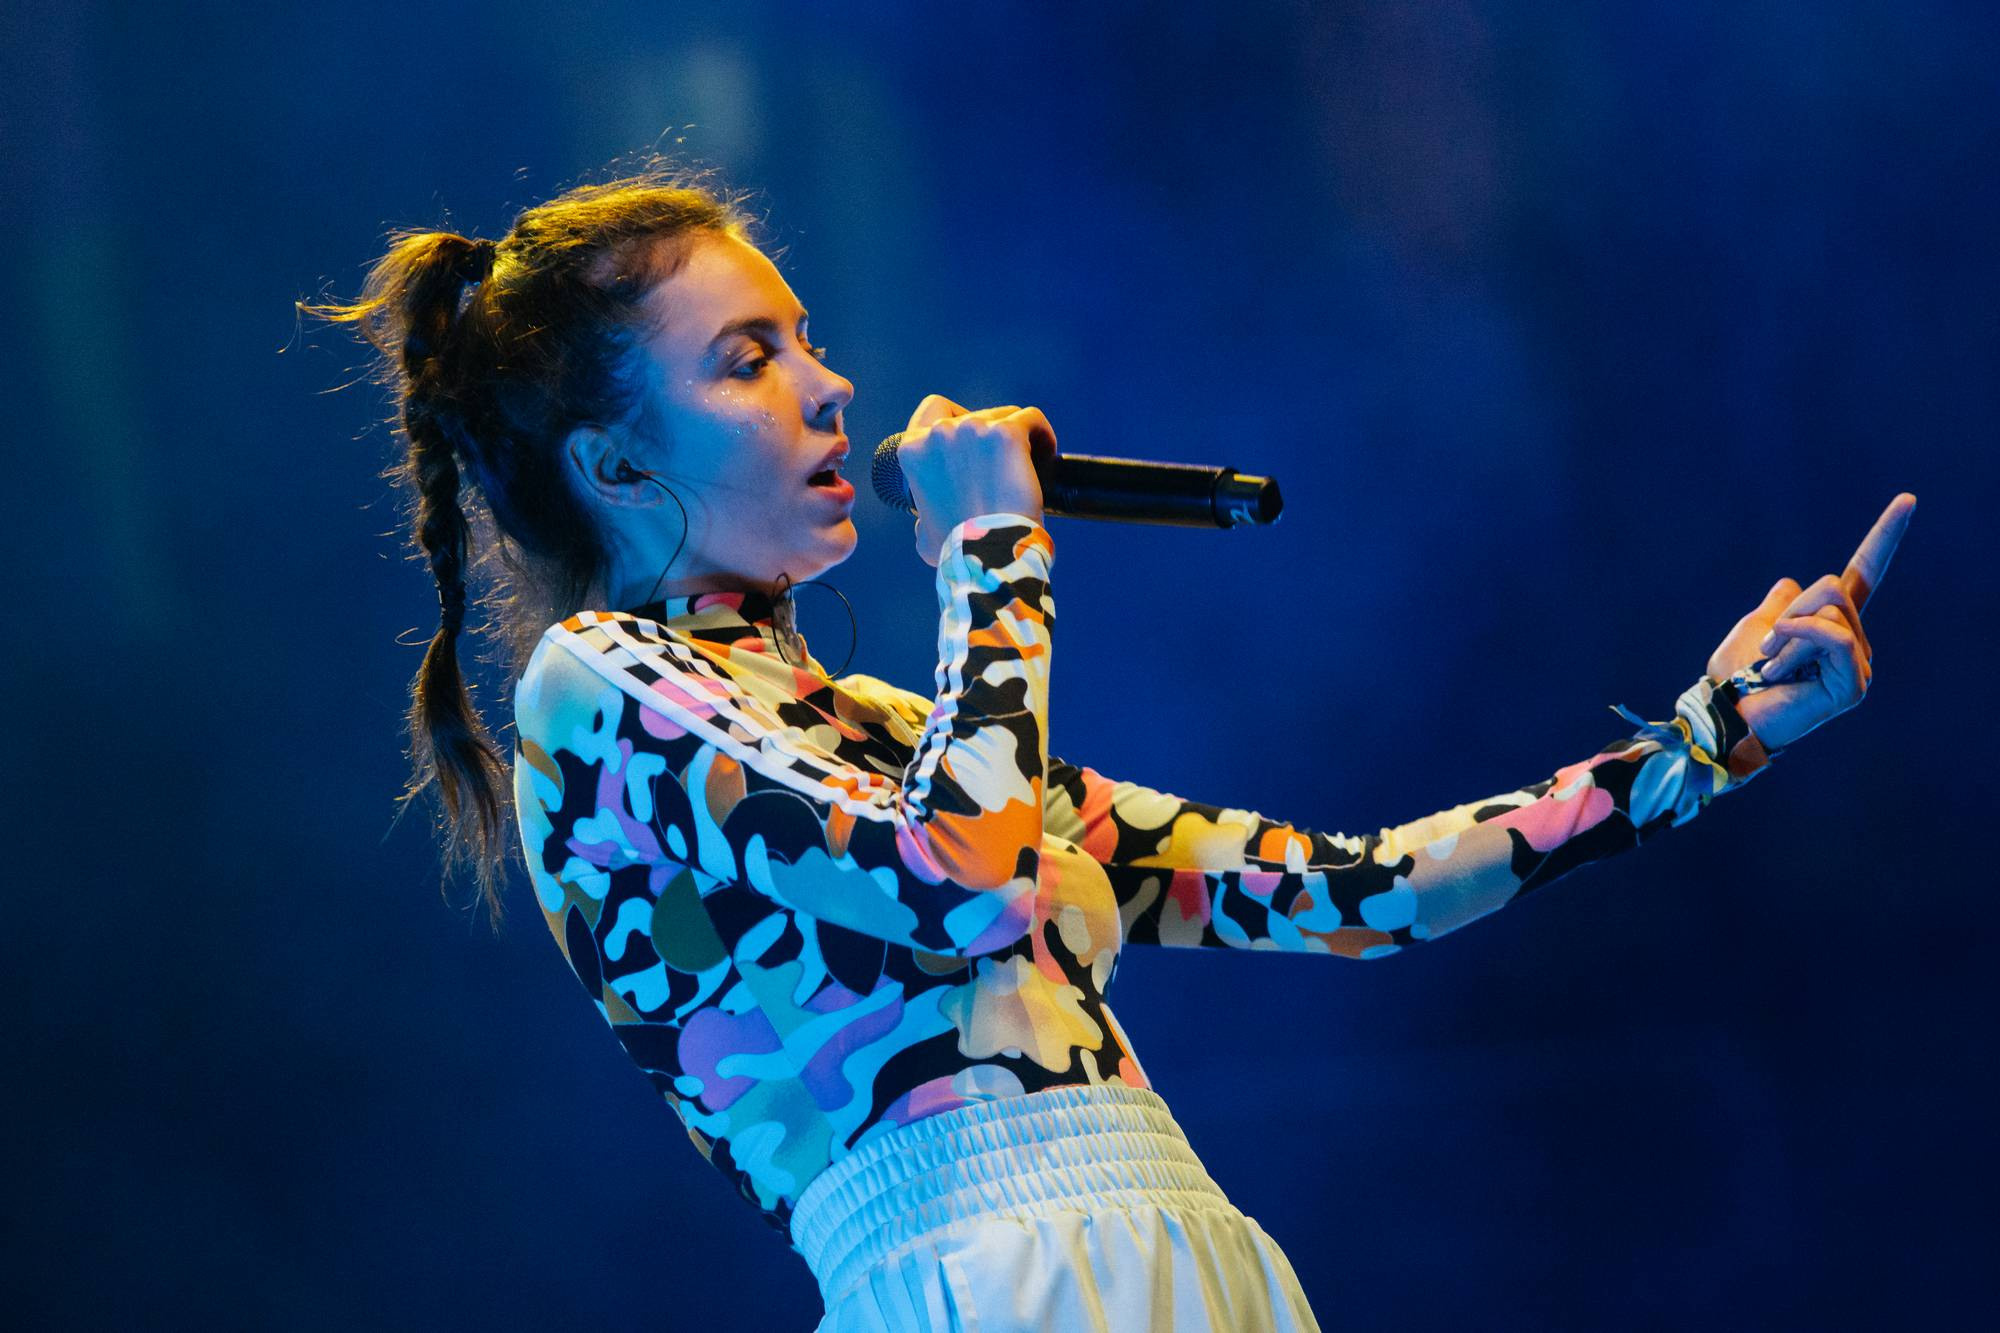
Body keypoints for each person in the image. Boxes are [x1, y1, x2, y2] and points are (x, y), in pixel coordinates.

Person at [302, 161, 1912, 1331]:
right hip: (980, 1276)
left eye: (805, 336)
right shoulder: (597, 685)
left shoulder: (897, 736)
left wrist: (1709, 736)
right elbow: (956, 881)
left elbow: (1361, 891)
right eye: (749, 358)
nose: (831, 385)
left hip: (1180, 1253)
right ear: (612, 465)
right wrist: (995, 554)